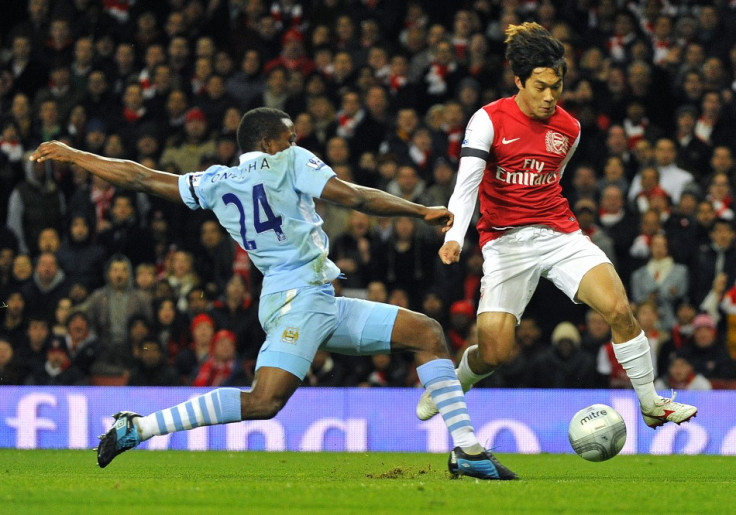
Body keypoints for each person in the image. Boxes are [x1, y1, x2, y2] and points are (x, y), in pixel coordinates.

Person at [31, 106, 515, 480]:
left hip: (318, 298)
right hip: (296, 302)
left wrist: (75, 155)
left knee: (426, 332)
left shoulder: (216, 180)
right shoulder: (290, 162)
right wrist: (418, 210)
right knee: (264, 402)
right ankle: (136, 428)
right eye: (289, 134)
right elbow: (355, 196)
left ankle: (468, 450)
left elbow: (139, 176)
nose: (296, 140)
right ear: (269, 141)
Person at [415, 22, 696, 430]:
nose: (550, 96)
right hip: (505, 243)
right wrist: (456, 237)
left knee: (618, 308)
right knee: (493, 354)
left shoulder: (570, 128)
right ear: (519, 81)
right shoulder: (487, 120)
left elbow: (552, 179)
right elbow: (467, 184)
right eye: (540, 86)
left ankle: (652, 403)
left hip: (560, 234)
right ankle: (451, 384)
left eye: (557, 86)